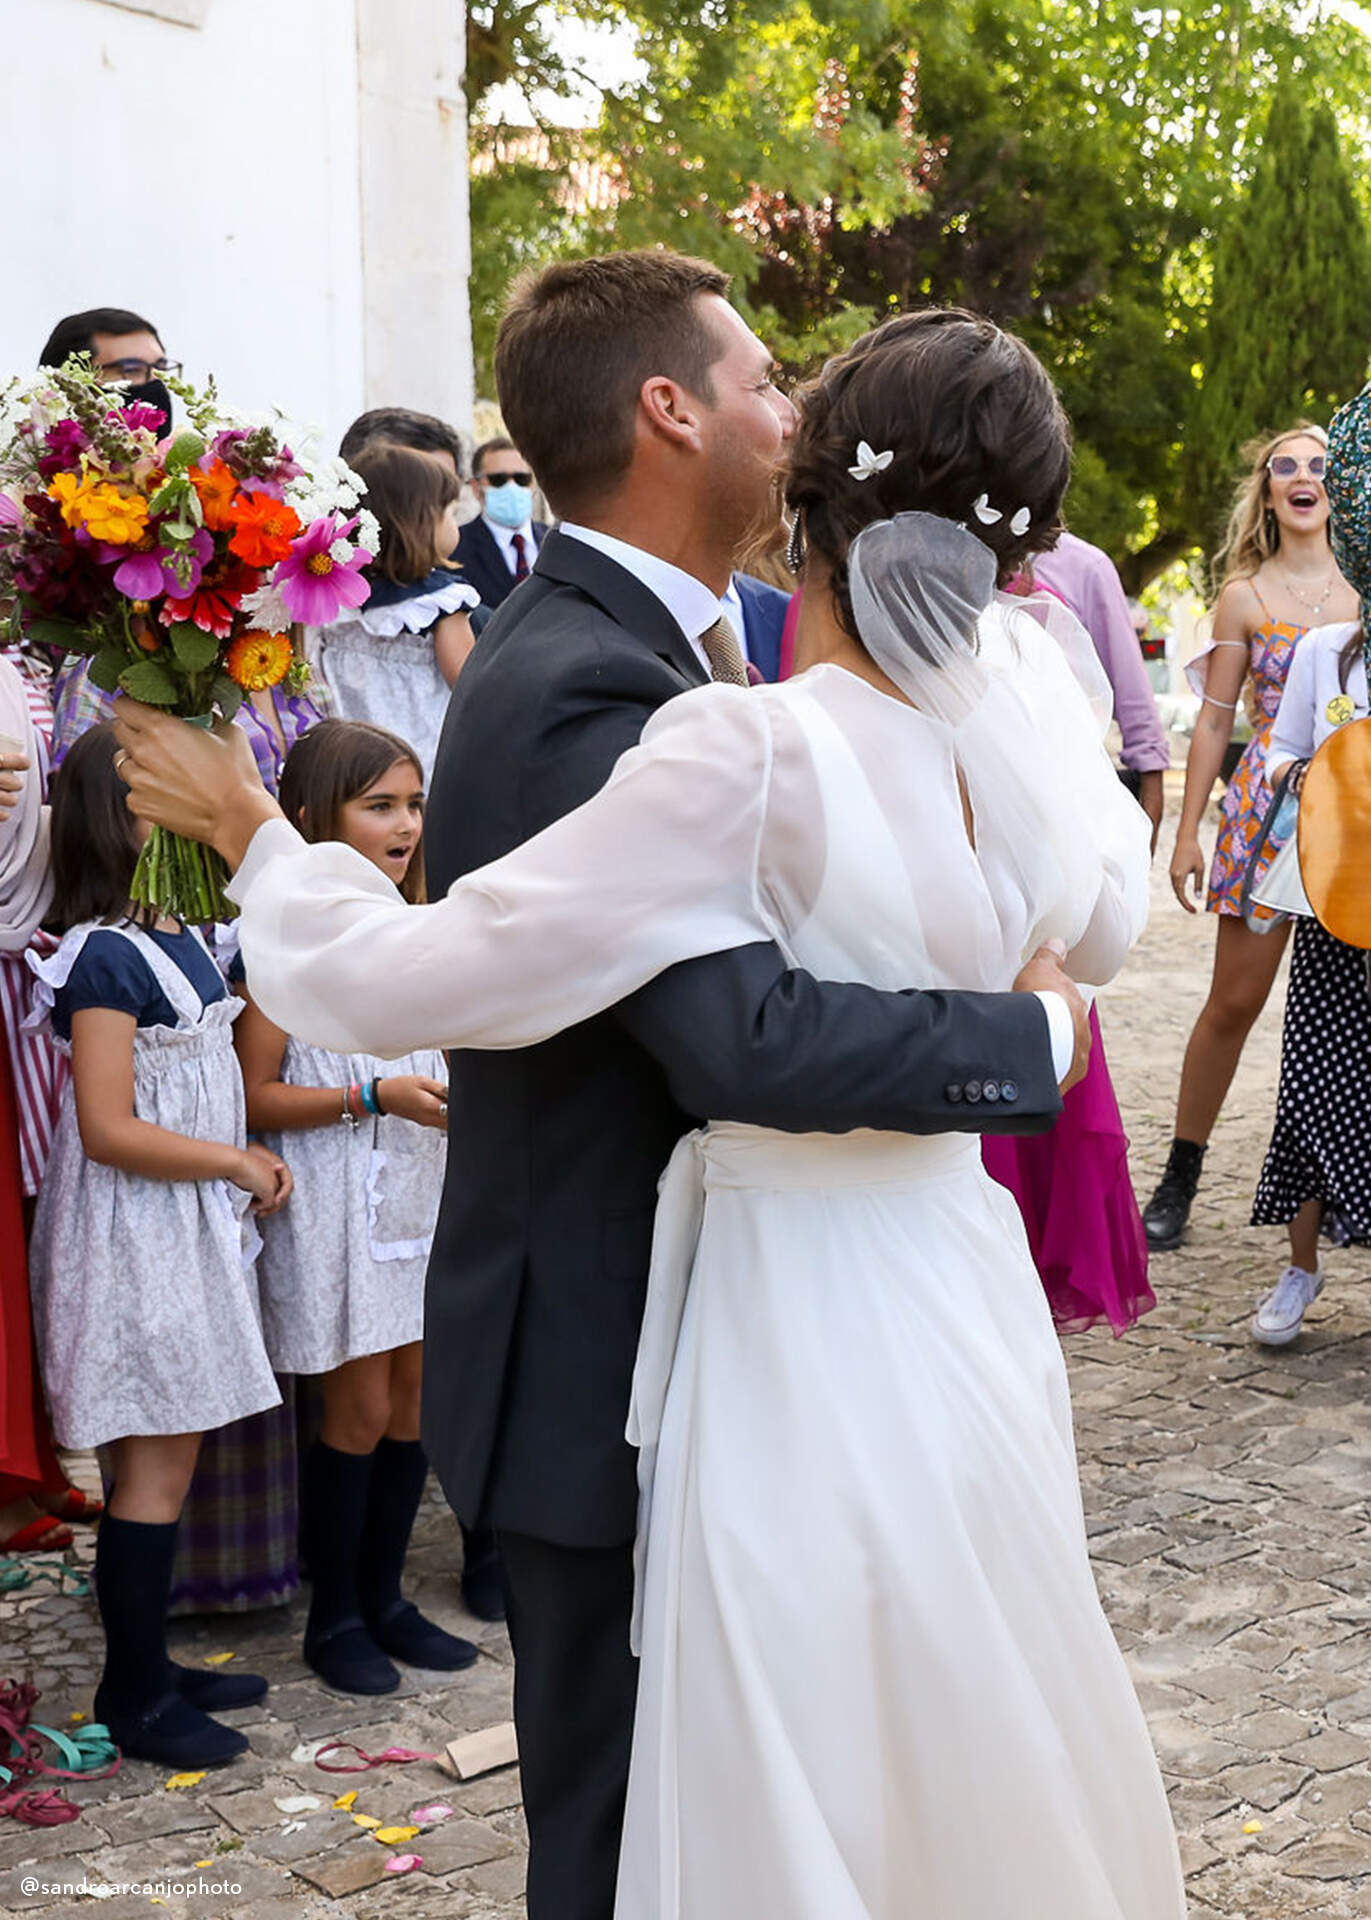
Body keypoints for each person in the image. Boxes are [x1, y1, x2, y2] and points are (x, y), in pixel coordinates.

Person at [110, 266, 1141, 1920]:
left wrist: (255, 838)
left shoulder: (737, 722)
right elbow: (1022, 948)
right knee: (793, 1760)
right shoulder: (956, 707)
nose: (783, 404)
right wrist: (1046, 1038)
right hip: (775, 1316)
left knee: (776, 1774)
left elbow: (445, 983)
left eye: (804, 397)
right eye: (762, 374)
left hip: (781, 1316)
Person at [26, 725, 290, 1767]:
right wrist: (231, 1163)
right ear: (120, 815)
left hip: (182, 1229)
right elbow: (107, 1127)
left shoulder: (185, 935)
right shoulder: (102, 955)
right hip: (136, 1236)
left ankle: (146, 1664)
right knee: (151, 1471)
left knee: (166, 1468)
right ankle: (134, 1696)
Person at [233, 719, 477, 1688]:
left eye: (414, 803)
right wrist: (369, 1095)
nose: (406, 824)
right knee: (359, 1405)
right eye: (379, 805)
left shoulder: (423, 927)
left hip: (419, 1186)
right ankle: (333, 1616)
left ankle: (387, 1597)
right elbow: (250, 1096)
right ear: (309, 820)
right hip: (337, 1195)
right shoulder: (285, 951)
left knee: (415, 1399)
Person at [1143, 425, 1358, 1250]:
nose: (1301, 477)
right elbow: (1212, 723)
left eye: (1318, 464)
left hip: (1356, 828)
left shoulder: (1364, 589)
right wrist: (1189, 834)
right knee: (1232, 1003)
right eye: (1284, 466)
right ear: (1267, 491)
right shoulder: (1242, 596)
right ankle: (1180, 1175)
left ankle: (1343, 1188)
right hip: (1265, 823)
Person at [1248, 382, 1371, 1343]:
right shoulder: (1329, 651)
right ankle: (1299, 1269)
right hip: (1337, 903)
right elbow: (1277, 758)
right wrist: (1321, 762)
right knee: (1313, 1082)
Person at [311, 446, 479, 777]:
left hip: (346, 758)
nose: (455, 525)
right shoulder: (442, 603)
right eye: (451, 514)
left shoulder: (338, 595)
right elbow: (470, 683)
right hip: (420, 754)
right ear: (420, 522)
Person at [1032, 529, 1169, 849]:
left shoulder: (1085, 566)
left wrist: (1151, 779)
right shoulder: (950, 549)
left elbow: (1128, 680)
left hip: (1068, 791)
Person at [454, 437, 548, 608]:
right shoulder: (455, 549)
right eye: (499, 480)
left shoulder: (556, 542)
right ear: (476, 488)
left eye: (521, 479)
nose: (512, 487)